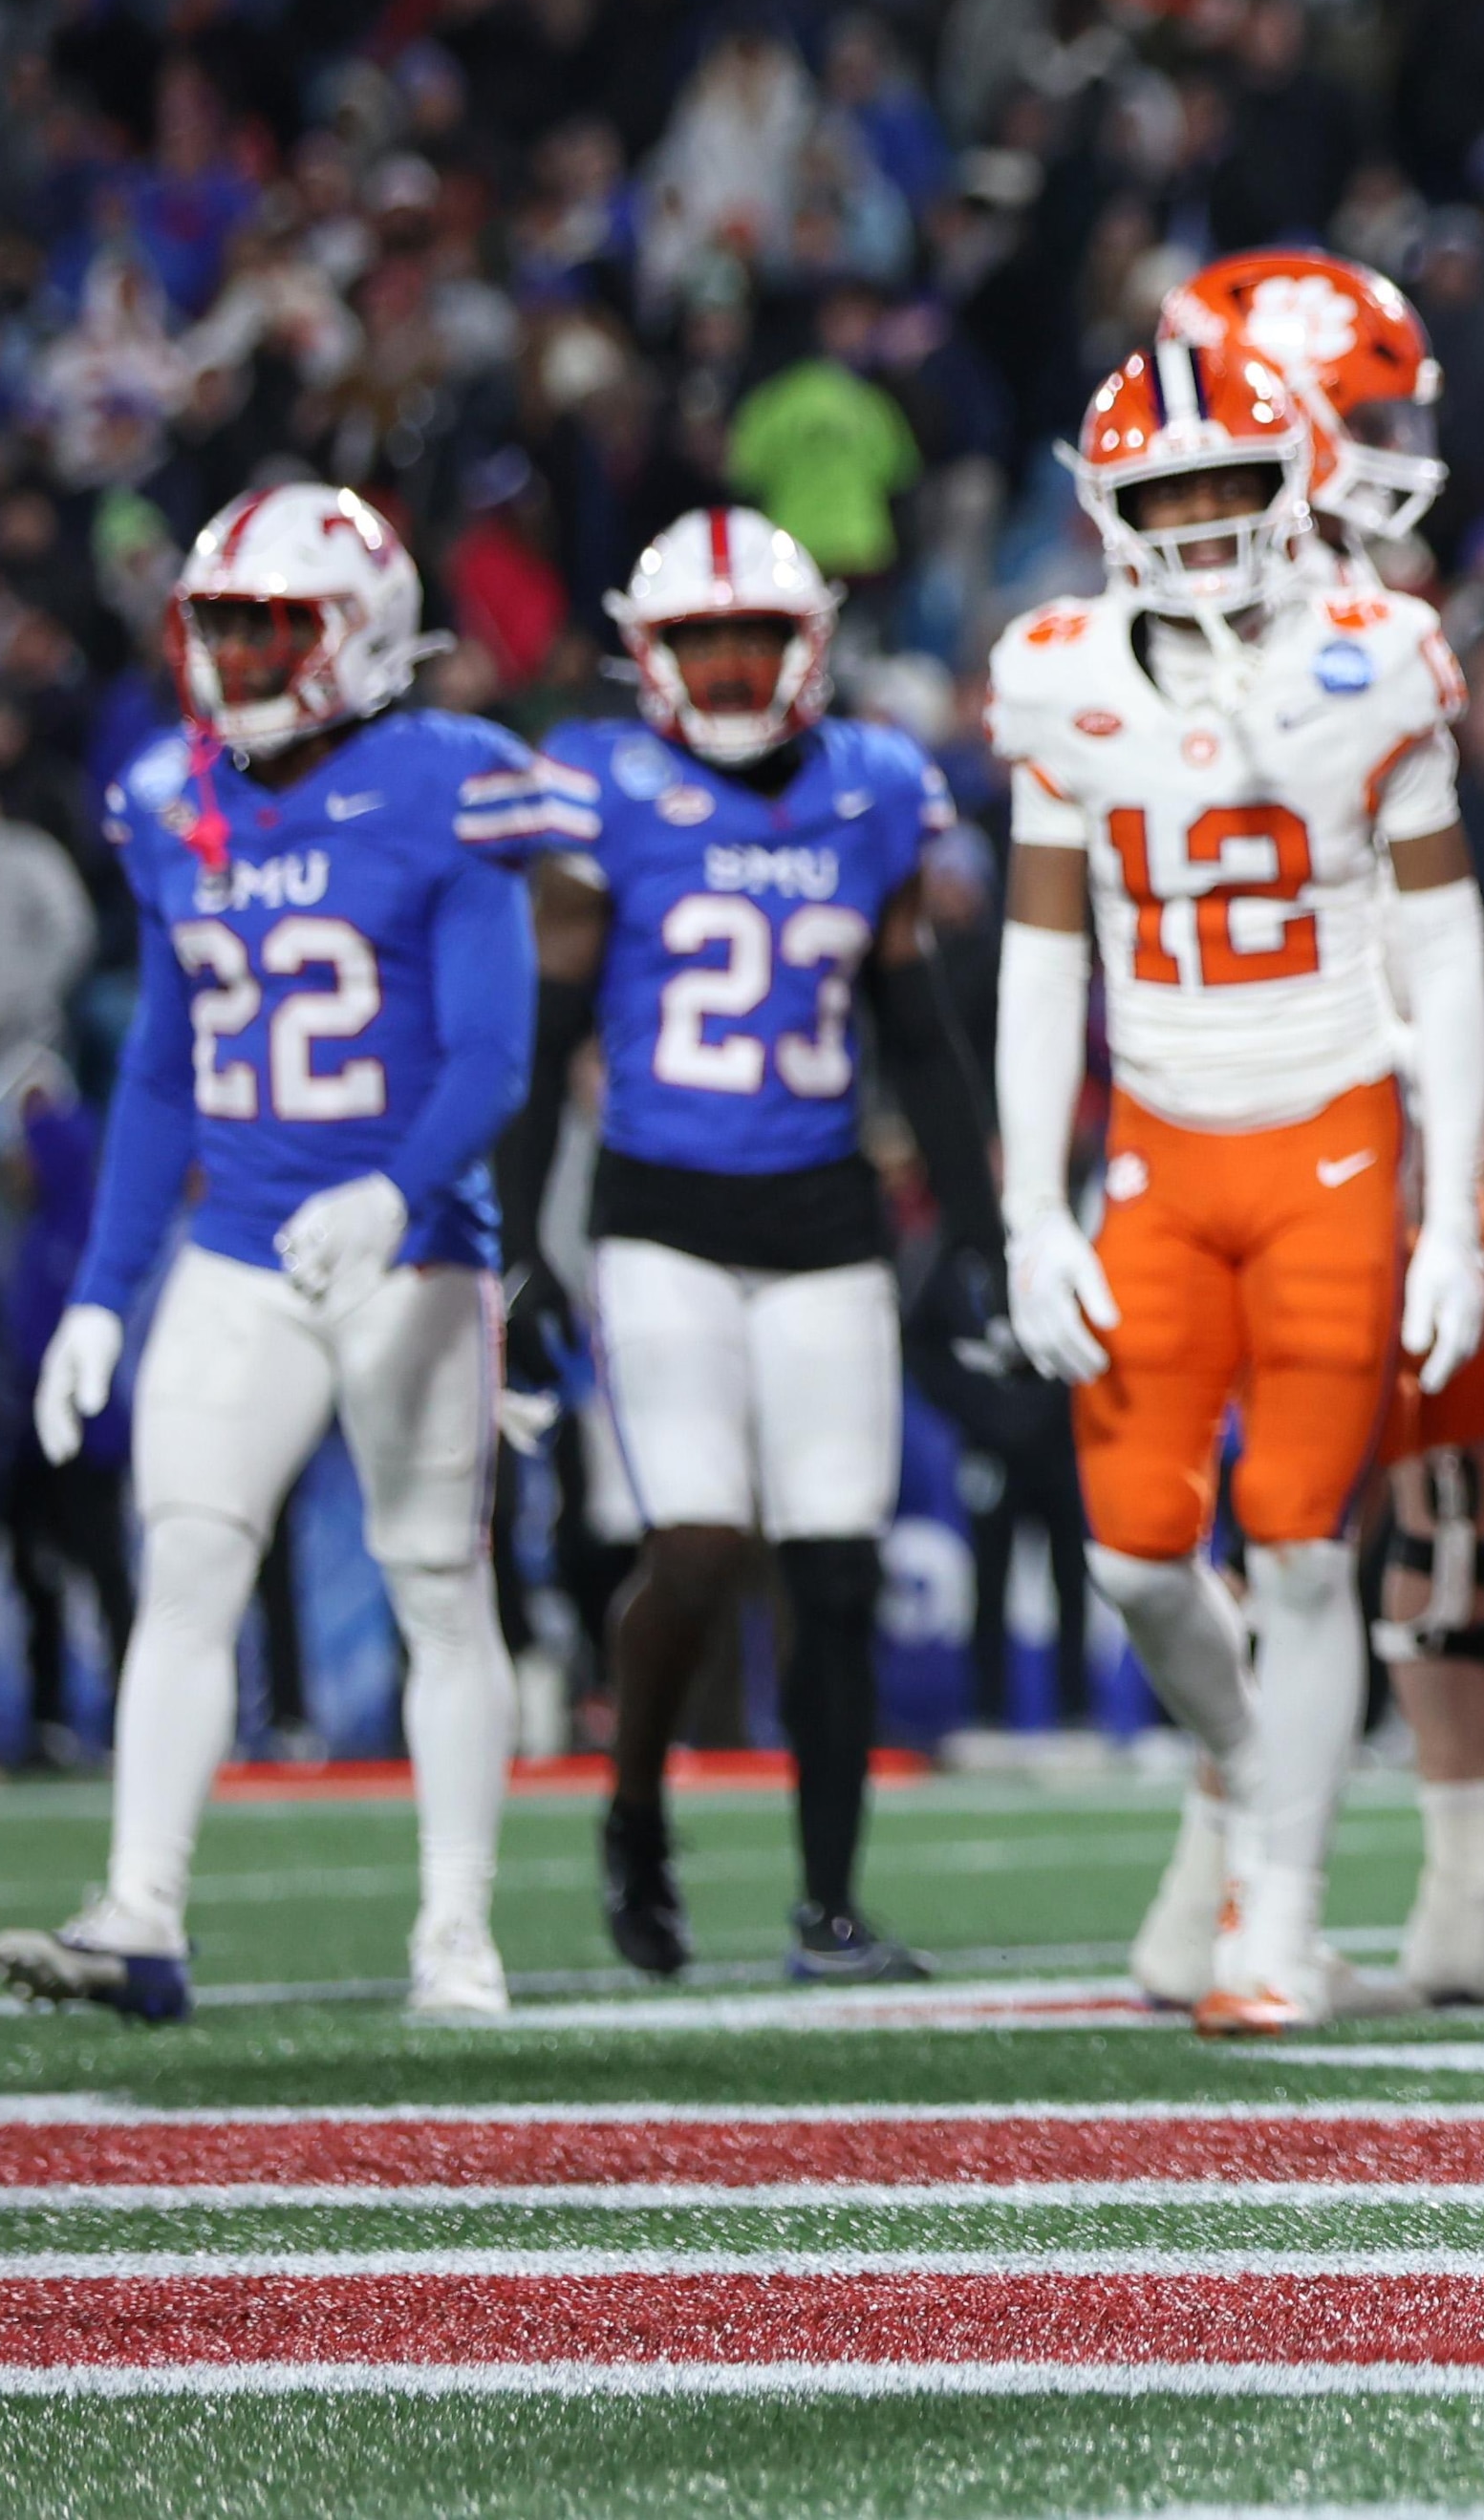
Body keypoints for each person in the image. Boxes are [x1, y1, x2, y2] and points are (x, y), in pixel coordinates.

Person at [984, 339, 1484, 2037]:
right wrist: (1033, 1207)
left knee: (1297, 1547)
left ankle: (1278, 1912)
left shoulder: (1376, 655)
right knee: (1136, 1557)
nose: (1204, 520)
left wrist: (1448, 1208)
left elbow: (1447, 944)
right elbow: (1041, 957)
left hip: (1331, 1136)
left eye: (1233, 485)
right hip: (1158, 1142)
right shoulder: (1058, 677)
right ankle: (1249, 1767)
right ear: (1108, 509)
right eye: (1169, 493)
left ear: (1294, 494)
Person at [0, 490, 553, 2023]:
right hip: (238, 1245)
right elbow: (159, 1070)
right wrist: (102, 1291)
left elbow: (495, 1054)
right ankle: (141, 1910)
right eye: (220, 624)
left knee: (436, 1581)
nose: (235, 655)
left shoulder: (451, 778)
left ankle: (456, 1926)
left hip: (411, 1253)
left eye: (272, 624)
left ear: (363, 633)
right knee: (186, 1559)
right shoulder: (170, 795)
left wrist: (397, 1191)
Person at [1168, 248, 1484, 2009]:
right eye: (1367, 415)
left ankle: (1464, 1872)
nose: (1403, 449)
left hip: (1353, 1092)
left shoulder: (1308, 601)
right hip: (1312, 1098)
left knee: (1468, 1458)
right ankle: (1227, 1874)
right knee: (1308, 1500)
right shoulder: (1285, 623)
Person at [505, 509, 993, 1987]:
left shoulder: (876, 785)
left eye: (753, 637)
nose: (726, 665)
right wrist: (516, 1238)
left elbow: (917, 1032)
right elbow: (546, 1034)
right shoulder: (604, 785)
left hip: (826, 1213)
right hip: (662, 1213)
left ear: (810, 645)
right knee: (701, 1543)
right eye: (699, 639)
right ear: (649, 654)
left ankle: (827, 1906)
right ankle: (634, 1807)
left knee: (836, 1564)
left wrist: (984, 1231)